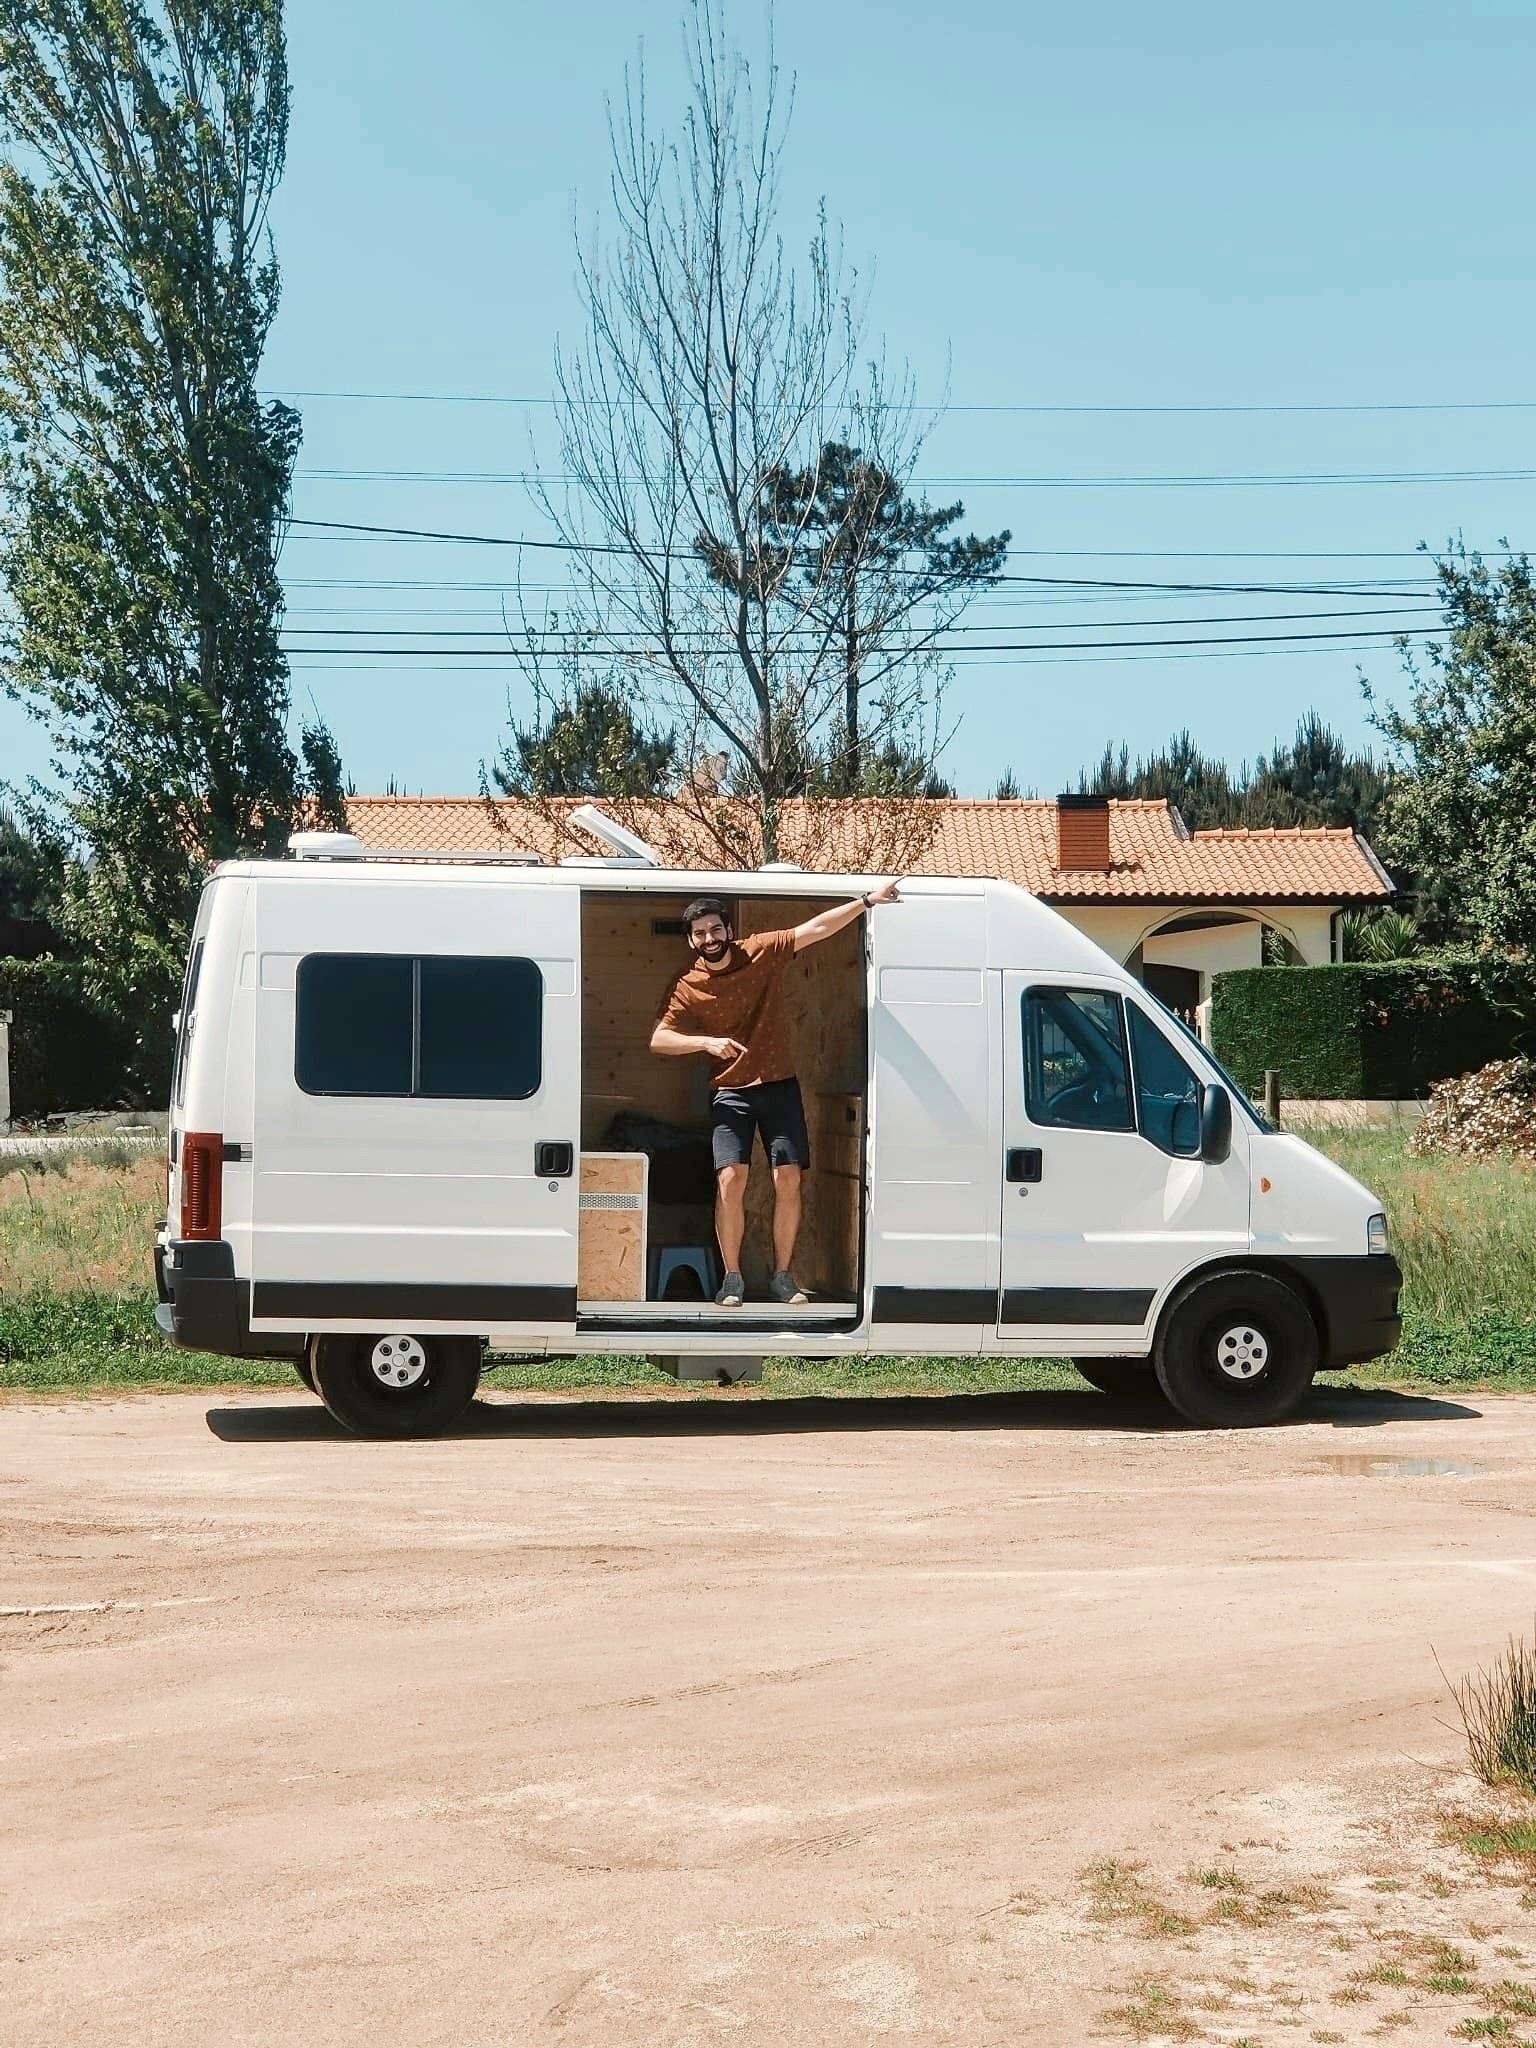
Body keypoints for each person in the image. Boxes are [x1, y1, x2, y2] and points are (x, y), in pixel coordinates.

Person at [649, 882, 902, 1305]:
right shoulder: (687, 983)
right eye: (699, 934)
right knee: (731, 1178)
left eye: (714, 929)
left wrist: (866, 902)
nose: (708, 939)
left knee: (788, 1178)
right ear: (691, 940)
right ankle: (732, 1279)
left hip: (778, 1085)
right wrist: (707, 1043)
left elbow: (816, 928)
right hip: (729, 1091)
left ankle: (783, 1276)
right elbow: (659, 1039)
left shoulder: (760, 950)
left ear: (729, 930)